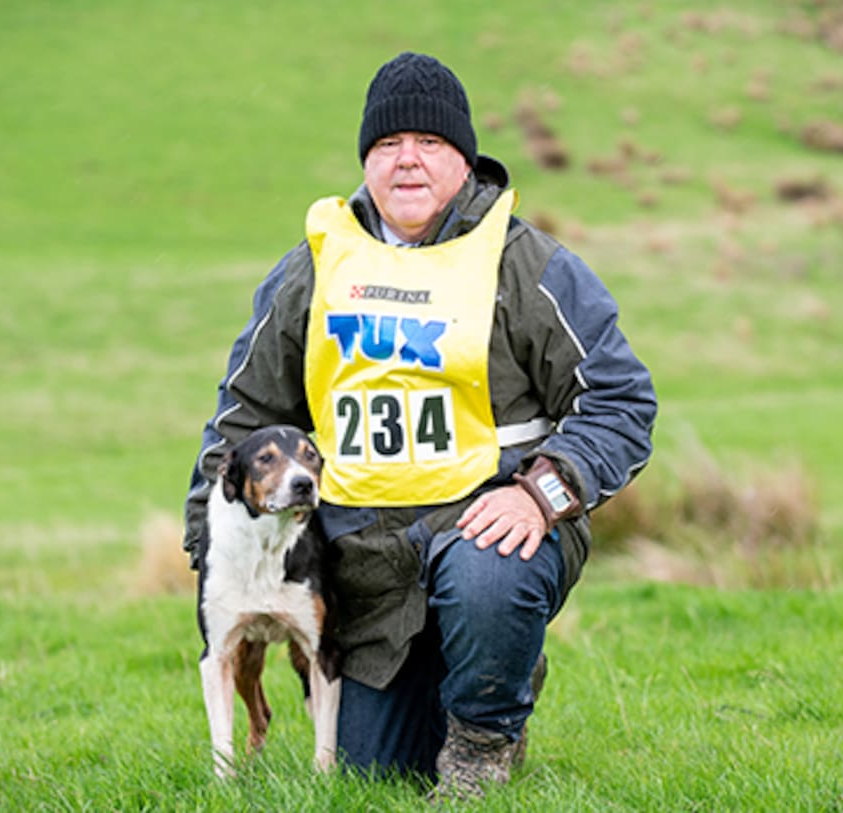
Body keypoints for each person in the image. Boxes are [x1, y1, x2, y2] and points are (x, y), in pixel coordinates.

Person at [184, 51, 656, 799]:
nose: (407, 160)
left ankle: (483, 743)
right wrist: (208, 546)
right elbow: (243, 417)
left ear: (464, 160)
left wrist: (541, 492)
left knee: (488, 573)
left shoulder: (528, 265)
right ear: (365, 161)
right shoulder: (312, 270)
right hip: (363, 566)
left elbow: (622, 402)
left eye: (430, 143)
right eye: (386, 144)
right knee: (375, 776)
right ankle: (462, 690)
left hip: (490, 531)